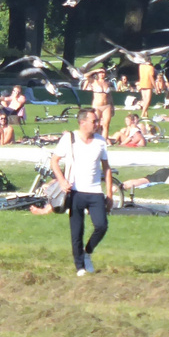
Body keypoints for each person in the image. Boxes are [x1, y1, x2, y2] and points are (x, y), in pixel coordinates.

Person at [50, 107, 112, 276]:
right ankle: (80, 267)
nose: (97, 124)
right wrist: (62, 181)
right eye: (94, 121)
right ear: (82, 122)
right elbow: (54, 161)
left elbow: (106, 168)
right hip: (76, 191)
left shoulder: (100, 141)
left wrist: (110, 194)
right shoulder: (69, 138)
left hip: (95, 192)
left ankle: (88, 252)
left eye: (97, 121)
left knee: (101, 225)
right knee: (77, 231)